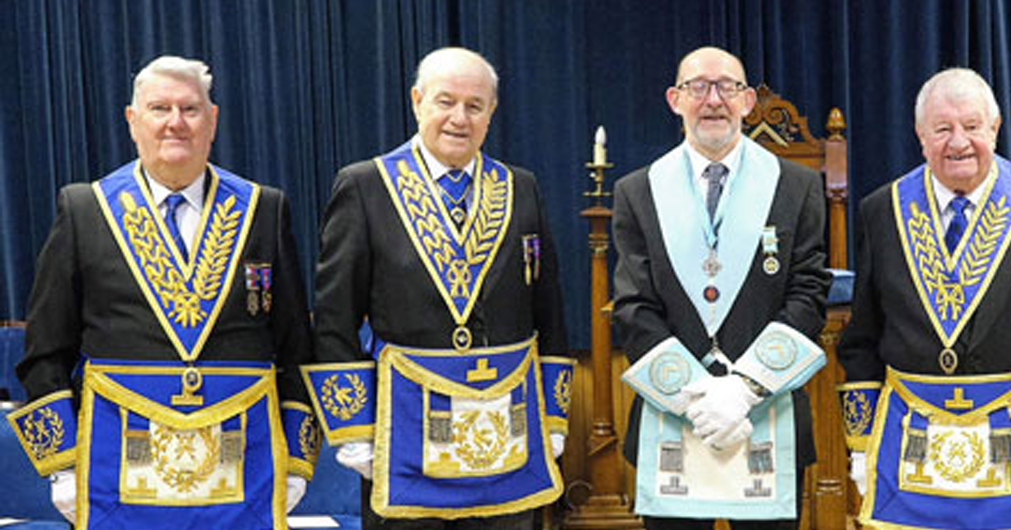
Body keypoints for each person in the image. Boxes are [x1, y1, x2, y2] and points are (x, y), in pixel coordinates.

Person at [7, 55, 316, 530]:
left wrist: (296, 461)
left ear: (212, 120)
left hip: (242, 477)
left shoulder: (263, 209)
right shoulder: (85, 209)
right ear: (133, 121)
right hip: (115, 476)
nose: (176, 123)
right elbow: (44, 352)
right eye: (159, 109)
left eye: (190, 110)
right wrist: (63, 467)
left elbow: (296, 348)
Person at [304, 47, 571, 530]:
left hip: (504, 439)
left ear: (491, 112)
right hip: (400, 440)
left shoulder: (520, 187)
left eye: (474, 105)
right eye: (445, 102)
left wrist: (552, 417)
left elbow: (548, 310)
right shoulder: (366, 186)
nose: (459, 118)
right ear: (417, 101)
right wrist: (353, 430)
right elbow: (334, 318)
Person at [836, 67, 1011, 530]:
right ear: (920, 136)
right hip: (910, 437)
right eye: (942, 129)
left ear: (994, 129)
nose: (958, 142)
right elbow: (862, 338)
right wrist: (859, 446)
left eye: (972, 126)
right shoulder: (882, 210)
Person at [612, 46, 830, 529]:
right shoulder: (638, 190)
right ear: (674, 99)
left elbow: (809, 293)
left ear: (748, 100)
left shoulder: (795, 186)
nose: (713, 100)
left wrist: (743, 390)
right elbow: (633, 308)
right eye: (698, 87)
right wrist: (699, 398)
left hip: (764, 414)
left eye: (727, 87)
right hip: (674, 417)